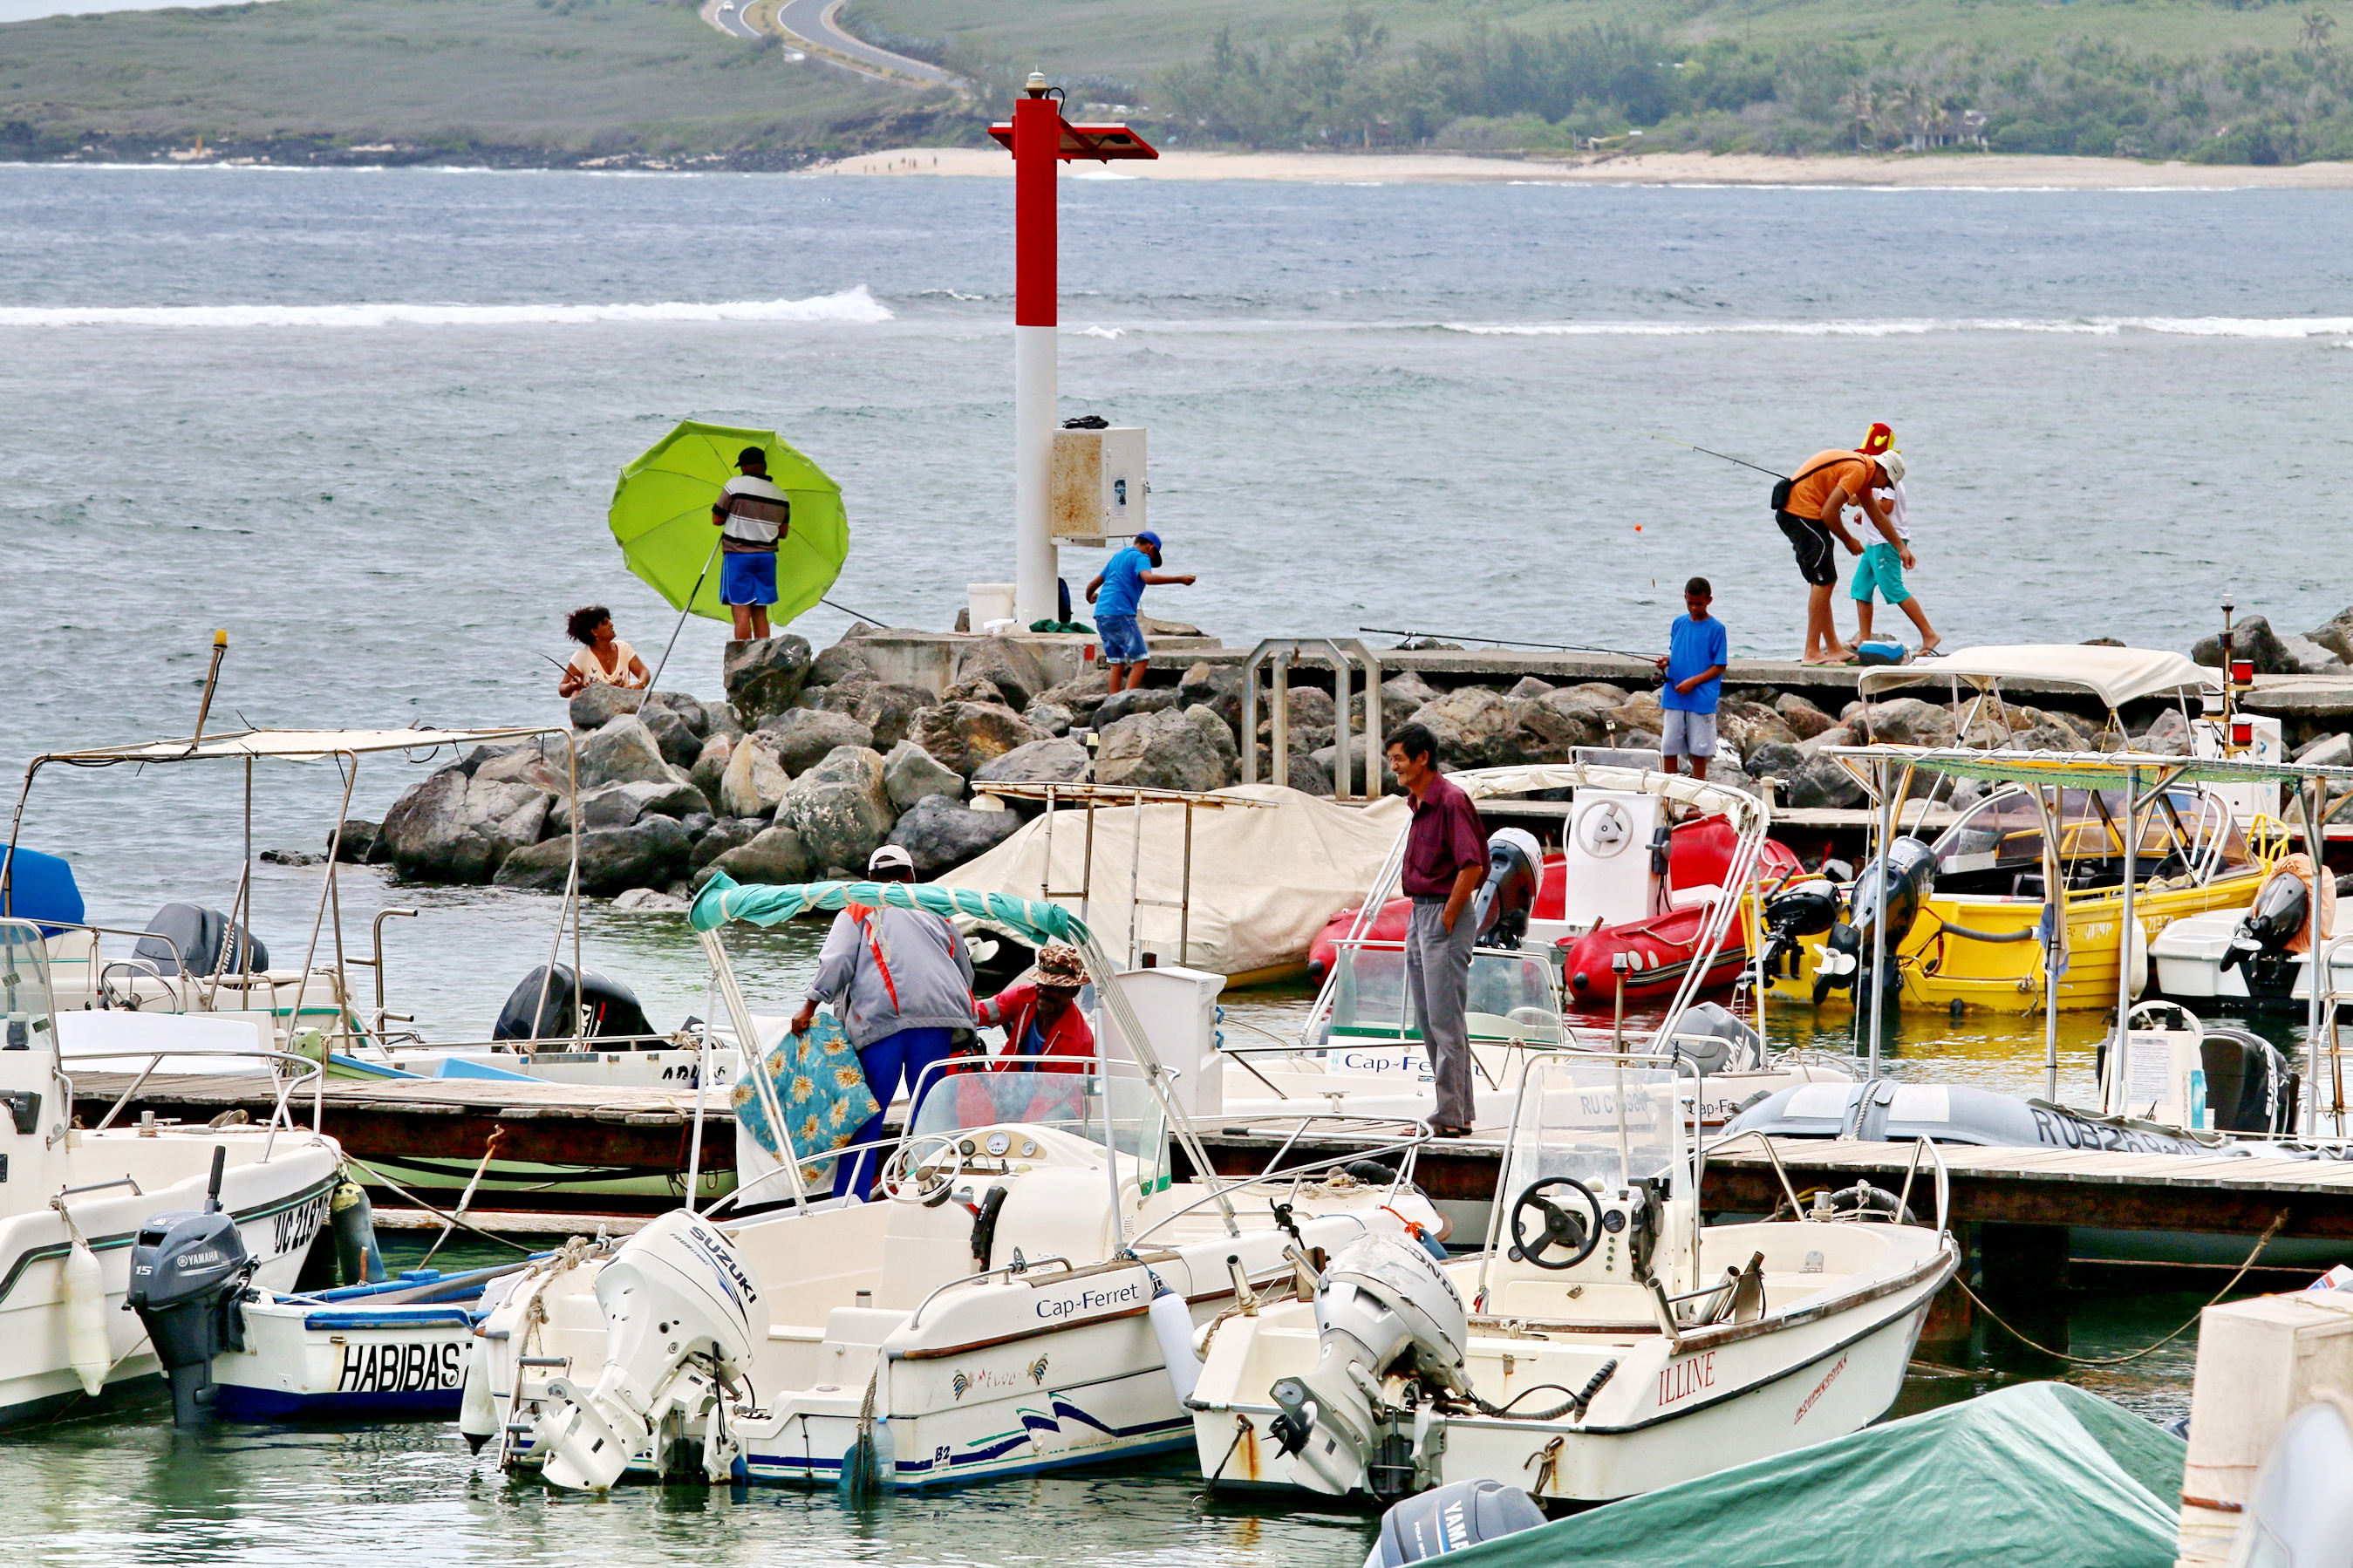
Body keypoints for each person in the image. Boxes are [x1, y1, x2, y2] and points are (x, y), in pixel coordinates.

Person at [791, 844, 976, 1199]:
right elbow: (964, 971)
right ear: (911, 876)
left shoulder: (858, 907)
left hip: (883, 1022)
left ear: (870, 879)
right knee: (930, 1114)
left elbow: (836, 963)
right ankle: (929, 1192)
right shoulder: (937, 909)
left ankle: (850, 1198)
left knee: (867, 1115)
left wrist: (809, 1007)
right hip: (938, 1022)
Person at [1383, 722, 1488, 1138]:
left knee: (1445, 1020)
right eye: (1392, 759)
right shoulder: (1419, 802)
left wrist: (1447, 918)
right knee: (1430, 1019)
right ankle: (1457, 1113)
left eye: (1399, 759)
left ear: (1423, 758)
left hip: (1444, 914)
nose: (1394, 767)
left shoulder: (1450, 801)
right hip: (1420, 912)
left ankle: (1449, 1115)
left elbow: (1474, 865)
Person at [1776, 446, 1899, 665]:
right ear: (1882, 471)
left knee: (1822, 581)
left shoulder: (1862, 471)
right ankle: (1812, 652)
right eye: (1888, 483)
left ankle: (1833, 648)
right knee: (1824, 581)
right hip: (1800, 514)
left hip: (1800, 514)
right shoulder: (1858, 470)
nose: (1884, 488)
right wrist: (1849, 540)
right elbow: (1829, 513)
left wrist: (1901, 548)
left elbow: (1878, 517)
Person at [966, 943, 1093, 1125]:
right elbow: (982, 1012)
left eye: (1053, 987)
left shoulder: (1079, 1040)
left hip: (1059, 1104)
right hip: (1015, 1090)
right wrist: (952, 1018)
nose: (1042, 992)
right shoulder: (1023, 997)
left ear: (1073, 991)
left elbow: (1049, 1098)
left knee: (1045, 1124)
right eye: (1040, 984)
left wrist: (1016, 1127)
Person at [1851, 453, 1940, 657]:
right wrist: (1863, 509)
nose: (1883, 486)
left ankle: (1929, 634)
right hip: (1875, 542)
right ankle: (1864, 637)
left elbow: (1886, 506)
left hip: (1888, 542)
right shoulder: (1875, 479)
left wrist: (1863, 505)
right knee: (1860, 587)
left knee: (1892, 588)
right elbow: (1865, 500)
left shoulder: (1887, 483)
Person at [1085, 530, 1196, 693]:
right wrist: (1180, 579)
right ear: (1151, 548)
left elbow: (1093, 583)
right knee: (1141, 659)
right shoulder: (1141, 557)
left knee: (1116, 662)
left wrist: (1089, 597)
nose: (1149, 562)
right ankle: (1127, 697)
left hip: (1102, 613)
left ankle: (1113, 699)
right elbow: (1148, 578)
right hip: (1120, 612)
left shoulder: (1118, 557)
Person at [712, 447, 791, 642]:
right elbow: (783, 532)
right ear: (763, 467)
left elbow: (716, 519)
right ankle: (762, 655)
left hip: (739, 556)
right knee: (760, 612)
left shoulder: (734, 485)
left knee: (741, 611)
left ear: (745, 467)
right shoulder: (781, 495)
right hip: (766, 559)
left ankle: (741, 659)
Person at [1654, 576, 1729, 781]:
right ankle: (1668, 798)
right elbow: (1680, 653)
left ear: (1709, 600)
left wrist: (1694, 681)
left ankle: (1695, 802)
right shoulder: (1678, 623)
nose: (1694, 608)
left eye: (1699, 604)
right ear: (1685, 599)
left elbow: (1720, 665)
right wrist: (1666, 662)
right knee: (1669, 748)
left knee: (1699, 751)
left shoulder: (1716, 629)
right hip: (1675, 694)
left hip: (1701, 697)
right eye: (1690, 603)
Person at [556, 605, 649, 696]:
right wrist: (571, 686)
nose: (611, 624)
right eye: (605, 622)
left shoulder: (623, 648)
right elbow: (563, 690)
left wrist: (641, 684)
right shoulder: (582, 657)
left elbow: (643, 671)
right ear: (594, 632)